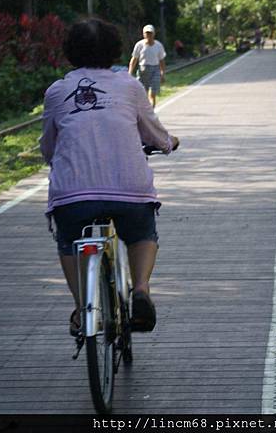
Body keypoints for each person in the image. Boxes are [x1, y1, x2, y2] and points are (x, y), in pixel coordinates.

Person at [40, 18, 179, 335]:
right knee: (142, 235)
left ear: (70, 52)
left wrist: (53, 159)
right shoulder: (129, 87)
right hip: (129, 191)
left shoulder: (57, 91)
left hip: (72, 195)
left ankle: (82, 308)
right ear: (115, 51)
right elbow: (155, 133)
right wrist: (169, 144)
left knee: (68, 243)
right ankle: (141, 290)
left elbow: (48, 145)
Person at [128, 24, 166, 108]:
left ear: (154, 34)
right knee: (143, 94)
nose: (148, 35)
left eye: (150, 33)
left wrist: (162, 73)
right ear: (143, 34)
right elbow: (134, 59)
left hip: (155, 70)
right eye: (147, 33)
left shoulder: (158, 45)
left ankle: (152, 111)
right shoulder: (139, 45)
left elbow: (162, 61)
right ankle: (145, 111)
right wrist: (130, 73)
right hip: (143, 70)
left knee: (152, 93)